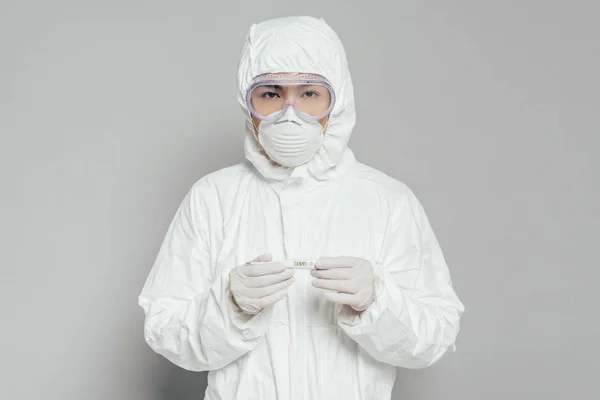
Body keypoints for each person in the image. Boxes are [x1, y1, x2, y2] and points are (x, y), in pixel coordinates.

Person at [138, 15, 465, 400]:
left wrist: (377, 301)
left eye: (309, 94)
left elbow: (434, 338)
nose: (289, 113)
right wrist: (228, 305)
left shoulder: (388, 201)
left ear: (337, 101)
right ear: (249, 103)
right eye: (271, 94)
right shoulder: (213, 198)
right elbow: (164, 331)